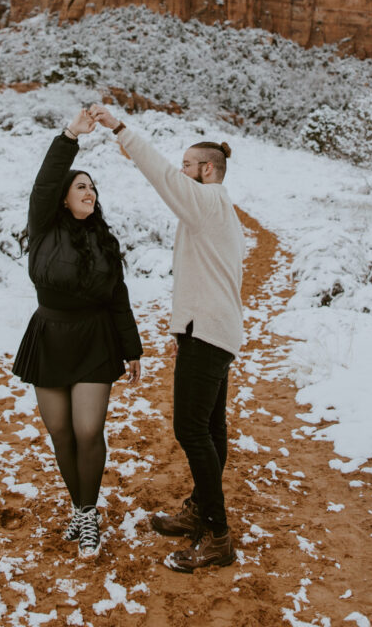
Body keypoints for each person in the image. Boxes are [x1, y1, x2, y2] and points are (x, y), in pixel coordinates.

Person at [89, 103, 245, 573]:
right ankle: (201, 509)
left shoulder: (209, 201)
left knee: (190, 429)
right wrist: (185, 327)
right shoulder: (217, 210)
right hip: (212, 330)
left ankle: (217, 536)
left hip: (210, 334)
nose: (181, 174)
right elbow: (207, 277)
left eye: (187, 168)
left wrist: (120, 128)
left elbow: (161, 176)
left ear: (206, 170)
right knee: (210, 428)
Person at [12, 108, 143, 559]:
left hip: (94, 339)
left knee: (89, 430)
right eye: (81, 186)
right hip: (49, 335)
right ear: (64, 198)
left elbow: (118, 298)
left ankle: (88, 515)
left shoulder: (105, 242)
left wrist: (132, 350)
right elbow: (44, 182)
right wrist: (71, 135)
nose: (89, 192)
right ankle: (80, 507)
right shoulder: (44, 228)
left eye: (93, 187)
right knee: (61, 433)